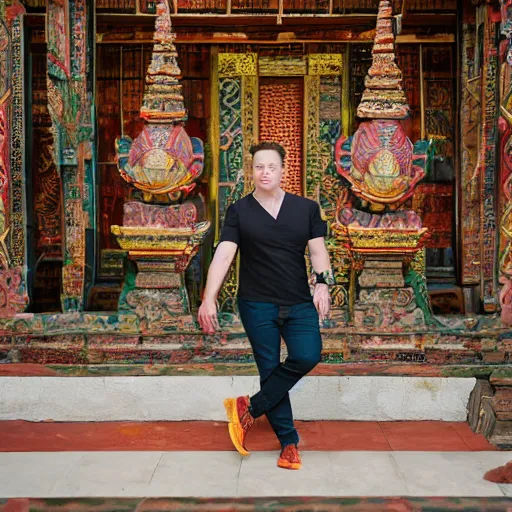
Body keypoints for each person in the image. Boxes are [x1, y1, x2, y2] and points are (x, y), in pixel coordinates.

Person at [197, 141, 334, 470]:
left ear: (284, 170)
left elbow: (318, 252)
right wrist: (208, 297)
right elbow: (225, 254)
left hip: (298, 302)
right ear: (252, 171)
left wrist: (323, 284)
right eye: (259, 167)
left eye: (271, 166)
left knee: (308, 355)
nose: (265, 172)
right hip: (257, 305)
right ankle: (289, 442)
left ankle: (249, 408)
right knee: (270, 370)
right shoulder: (240, 211)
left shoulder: (306, 209)